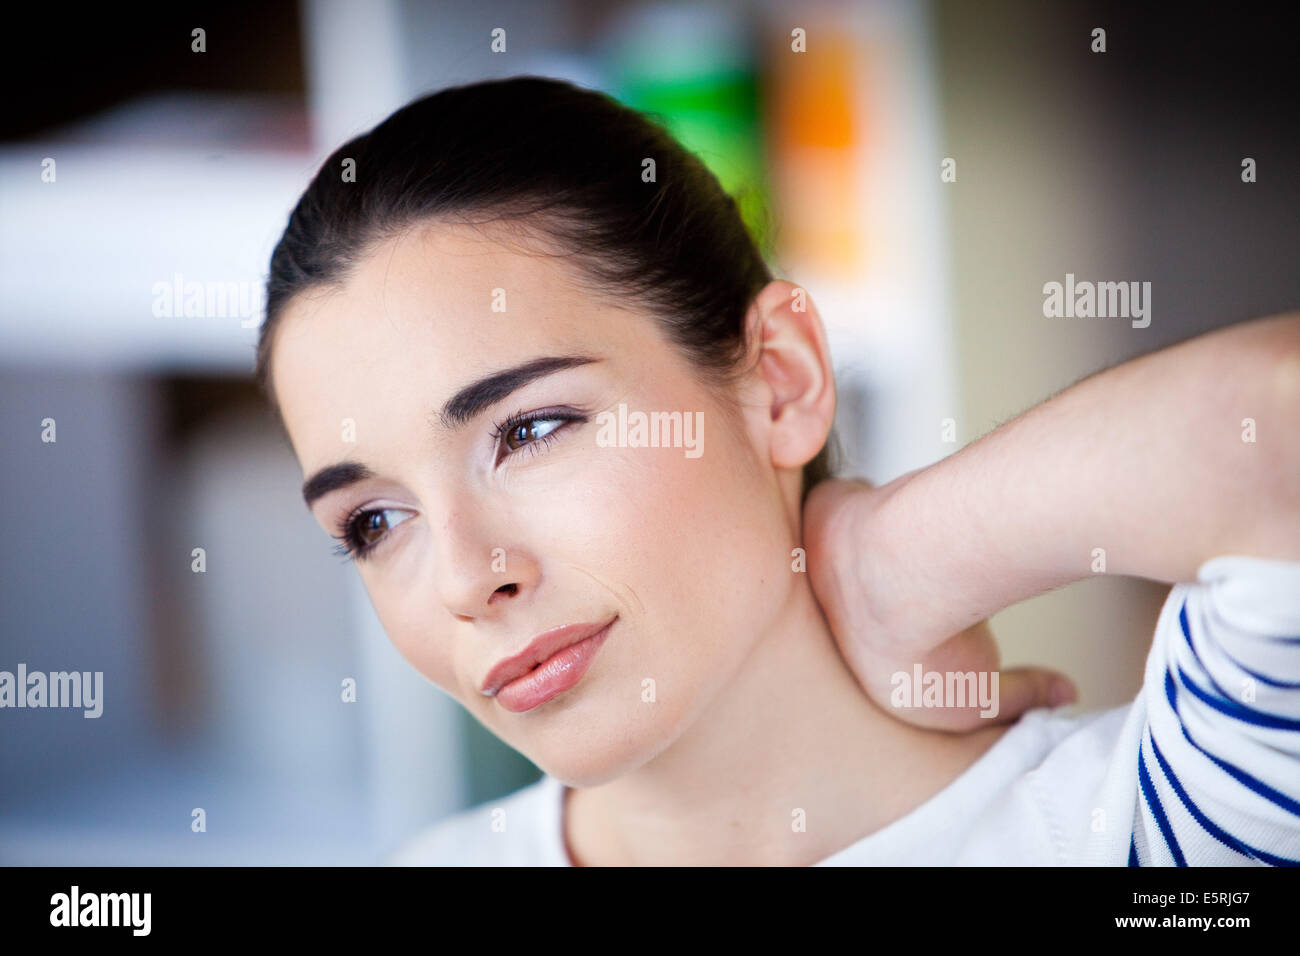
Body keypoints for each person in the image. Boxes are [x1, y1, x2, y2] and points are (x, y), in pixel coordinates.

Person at [255, 75, 1300, 866]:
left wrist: (895, 557)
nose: (462, 577)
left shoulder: (1147, 833)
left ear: (783, 379)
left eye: (529, 430)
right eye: (374, 522)